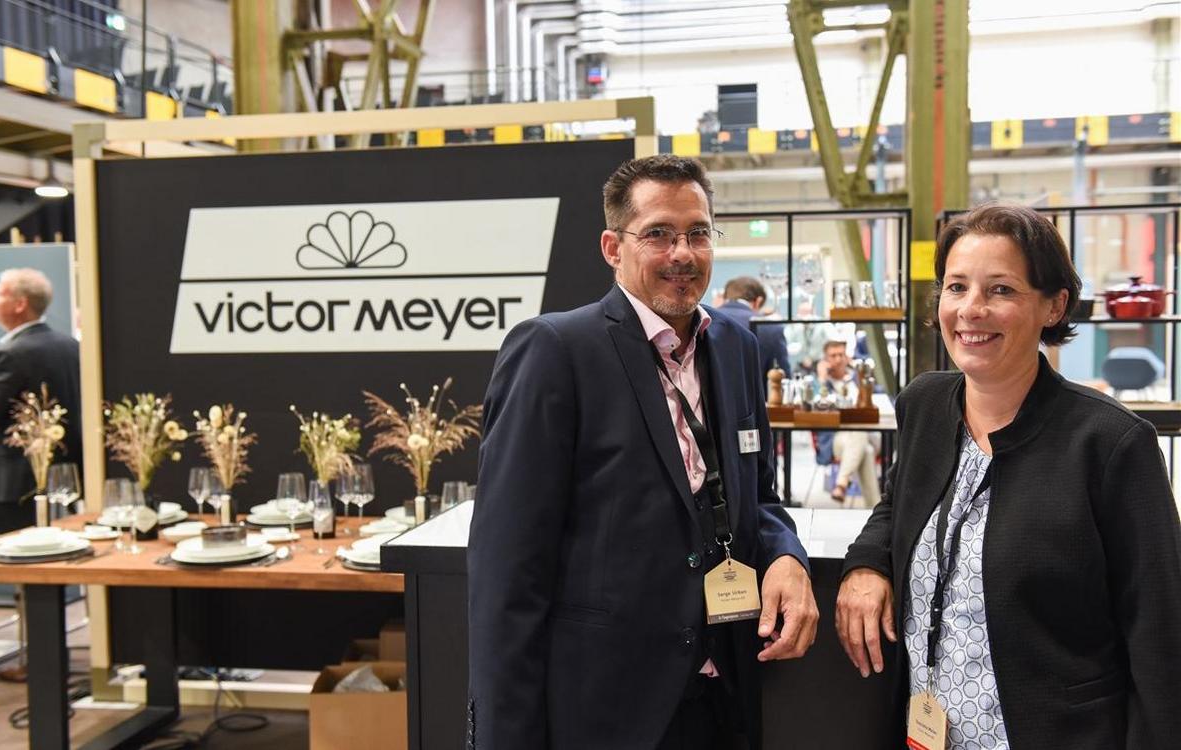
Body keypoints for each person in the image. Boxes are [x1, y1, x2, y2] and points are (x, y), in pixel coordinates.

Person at [468, 155, 817, 750]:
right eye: (658, 233)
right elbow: (508, 568)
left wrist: (786, 555)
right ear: (613, 247)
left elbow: (757, 495)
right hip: (606, 709)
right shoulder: (555, 351)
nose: (683, 253)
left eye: (698, 233)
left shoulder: (736, 346)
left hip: (723, 694)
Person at [835, 203, 1181, 749]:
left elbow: (1161, 632)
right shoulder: (925, 405)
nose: (971, 309)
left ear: (1054, 305)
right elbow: (899, 499)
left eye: (1000, 290)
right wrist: (867, 565)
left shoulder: (1110, 443)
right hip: (926, 732)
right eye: (957, 287)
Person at [0, 268, 81, 533]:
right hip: (65, 476)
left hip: (15, 485)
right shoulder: (69, 345)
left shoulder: (13, 353)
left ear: (20, 304)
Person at [814, 339, 881, 507]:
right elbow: (814, 407)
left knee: (859, 430)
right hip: (836, 437)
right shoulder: (822, 383)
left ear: (847, 357)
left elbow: (879, 397)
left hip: (869, 434)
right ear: (825, 360)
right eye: (833, 356)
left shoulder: (858, 377)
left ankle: (841, 482)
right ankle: (874, 506)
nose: (838, 359)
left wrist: (861, 376)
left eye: (841, 355)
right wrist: (822, 380)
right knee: (866, 450)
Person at [717, 276, 791, 380]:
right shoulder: (770, 328)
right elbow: (782, 378)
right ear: (758, 301)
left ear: (725, 298)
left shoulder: (705, 320)